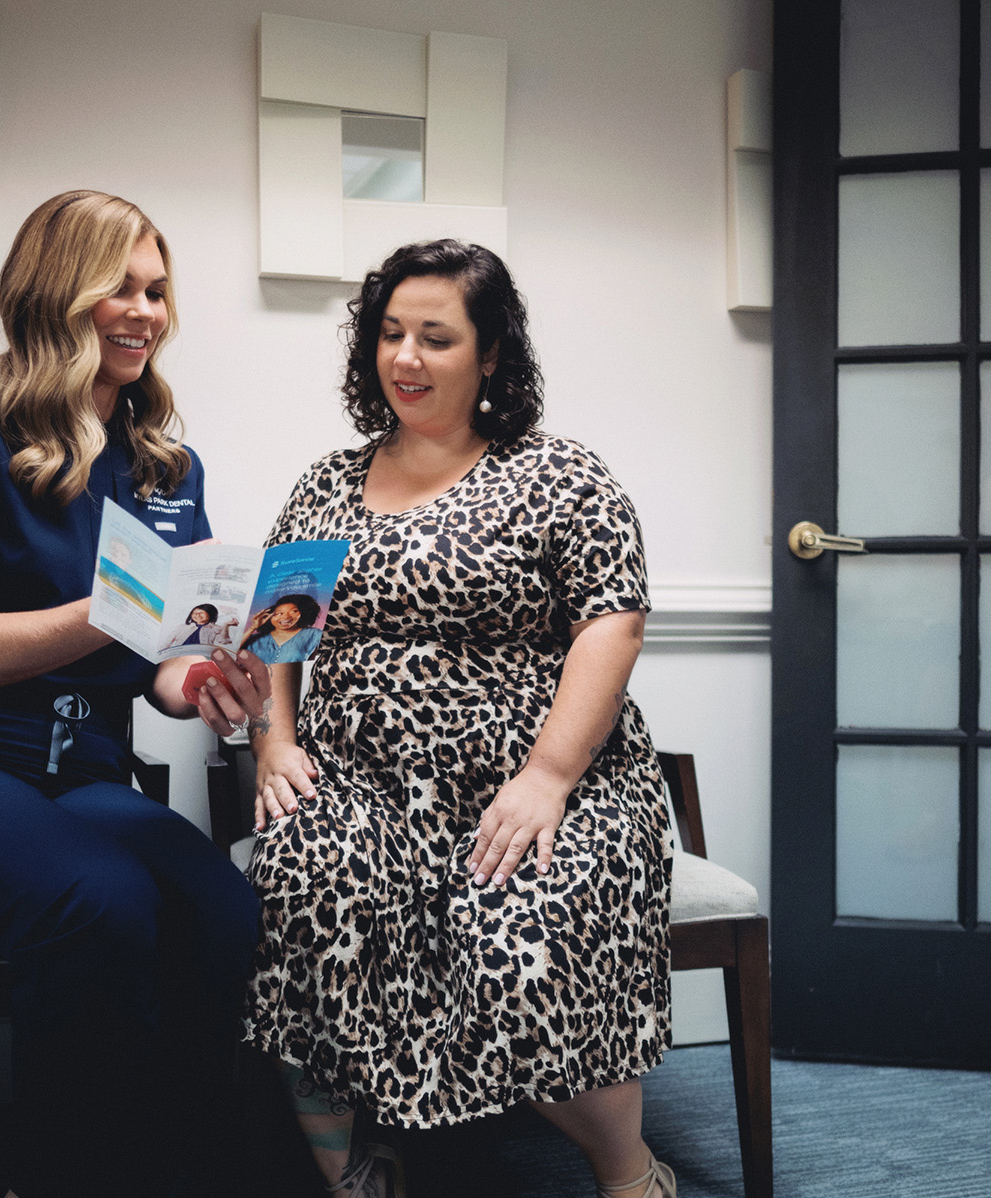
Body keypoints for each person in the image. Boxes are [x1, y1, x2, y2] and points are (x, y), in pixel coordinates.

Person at [0, 190, 270, 1198]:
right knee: (102, 901)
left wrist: (202, 676)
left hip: (82, 771)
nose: (145, 310)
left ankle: (187, 1169)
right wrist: (126, 605)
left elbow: (158, 661)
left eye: (158, 290)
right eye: (119, 285)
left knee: (226, 913)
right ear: (54, 292)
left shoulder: (168, 463)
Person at [243, 240, 677, 1198]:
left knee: (520, 939)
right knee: (308, 886)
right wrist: (273, 738)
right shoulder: (325, 485)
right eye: (390, 334)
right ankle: (355, 1172)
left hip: (546, 785)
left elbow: (615, 621)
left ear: (490, 356)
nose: (405, 358)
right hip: (366, 791)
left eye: (436, 338)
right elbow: (278, 635)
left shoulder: (561, 475)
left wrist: (549, 776)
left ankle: (629, 1171)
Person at [238, 592, 323, 663]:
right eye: (279, 613)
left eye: (294, 611)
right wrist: (253, 628)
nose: (286, 617)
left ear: (302, 613)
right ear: (270, 616)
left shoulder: (315, 634)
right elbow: (232, 652)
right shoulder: (255, 638)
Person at [161, 602, 240, 650]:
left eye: (201, 613)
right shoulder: (182, 627)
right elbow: (168, 641)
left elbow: (224, 641)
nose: (197, 615)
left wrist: (226, 625)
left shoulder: (215, 628)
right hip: (180, 654)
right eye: (195, 613)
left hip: (200, 655)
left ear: (210, 615)